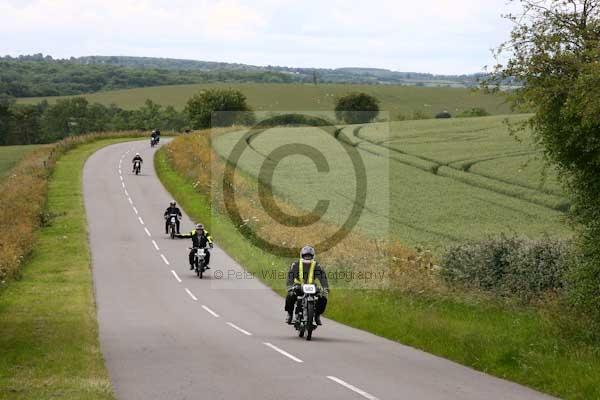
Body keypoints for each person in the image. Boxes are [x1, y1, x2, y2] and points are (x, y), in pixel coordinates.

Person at [285, 245, 329, 326]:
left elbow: (323, 277)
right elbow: (290, 276)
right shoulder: (295, 265)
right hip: (298, 286)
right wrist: (290, 287)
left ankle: (317, 316)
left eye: (309, 256)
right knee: (290, 296)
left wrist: (325, 288)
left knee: (323, 298)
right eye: (306, 256)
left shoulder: (317, 266)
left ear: (313, 256)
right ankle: (290, 314)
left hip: (312, 287)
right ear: (302, 255)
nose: (307, 257)